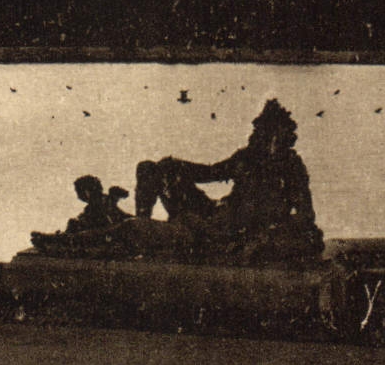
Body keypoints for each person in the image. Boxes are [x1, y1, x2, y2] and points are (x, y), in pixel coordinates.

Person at [132, 97, 323, 261]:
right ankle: (142, 229)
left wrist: (266, 236)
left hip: (249, 230)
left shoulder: (292, 167)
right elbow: (211, 173)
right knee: (151, 168)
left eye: (267, 135)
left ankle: (147, 234)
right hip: (221, 217)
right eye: (259, 132)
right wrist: (175, 165)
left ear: (282, 137)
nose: (259, 138)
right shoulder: (247, 157)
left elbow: (306, 215)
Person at [64, 176, 132, 233]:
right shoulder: (105, 200)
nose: (78, 197)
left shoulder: (97, 204)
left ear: (86, 192)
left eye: (78, 192)